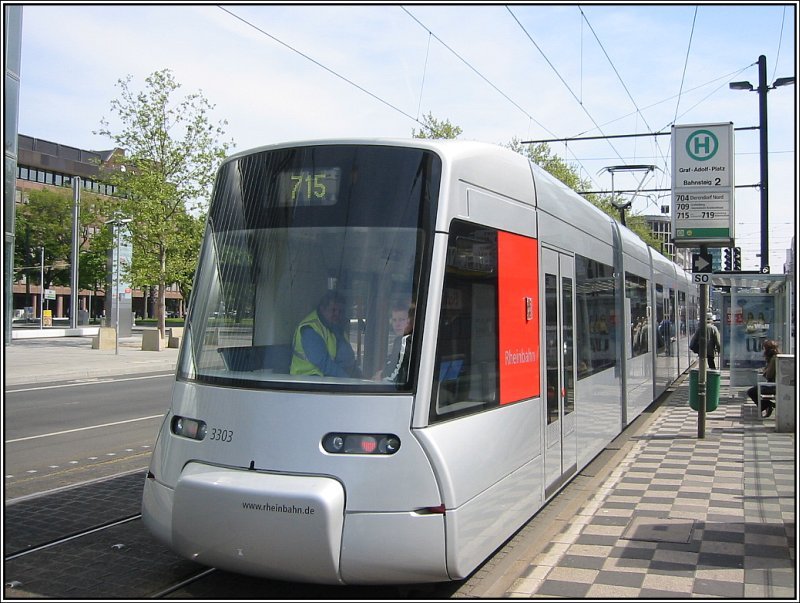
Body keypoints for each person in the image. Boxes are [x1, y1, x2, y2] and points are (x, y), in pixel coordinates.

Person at [290, 291, 360, 377]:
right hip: (306, 382)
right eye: (333, 310)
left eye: (340, 311)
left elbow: (347, 360)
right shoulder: (310, 329)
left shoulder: (335, 327)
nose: (337, 314)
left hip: (326, 381)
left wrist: (360, 377)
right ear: (322, 309)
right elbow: (324, 364)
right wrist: (348, 380)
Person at [376, 303, 415, 383]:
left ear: (410, 321)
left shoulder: (406, 341)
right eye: (394, 320)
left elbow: (398, 369)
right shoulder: (399, 340)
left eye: (402, 320)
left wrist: (381, 379)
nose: (397, 324)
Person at [746, 339, 779, 417]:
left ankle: (768, 405)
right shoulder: (775, 357)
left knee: (751, 392)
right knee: (754, 390)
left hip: (773, 386)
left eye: (764, 348)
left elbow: (769, 375)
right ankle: (767, 405)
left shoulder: (773, 359)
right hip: (775, 384)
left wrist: (765, 371)